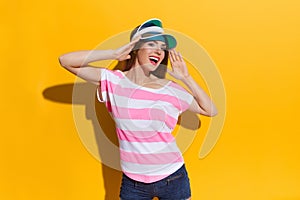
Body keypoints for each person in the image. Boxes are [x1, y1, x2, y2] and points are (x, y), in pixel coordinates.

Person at [59, 18, 218, 200]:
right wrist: (113, 54)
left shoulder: (170, 89)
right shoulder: (113, 81)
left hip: (174, 178)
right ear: (136, 48)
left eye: (162, 47)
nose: (158, 51)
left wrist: (187, 77)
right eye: (151, 44)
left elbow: (210, 110)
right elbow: (65, 61)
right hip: (133, 184)